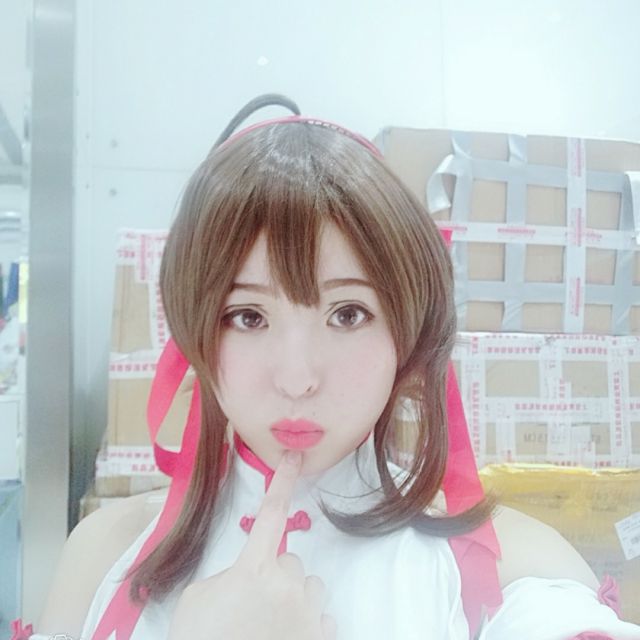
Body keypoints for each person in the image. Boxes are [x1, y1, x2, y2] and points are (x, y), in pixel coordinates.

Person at [20, 95, 640, 640]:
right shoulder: (100, 556)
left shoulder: (515, 573)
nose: (297, 379)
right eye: (247, 316)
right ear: (195, 332)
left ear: (407, 335)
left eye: (348, 314)